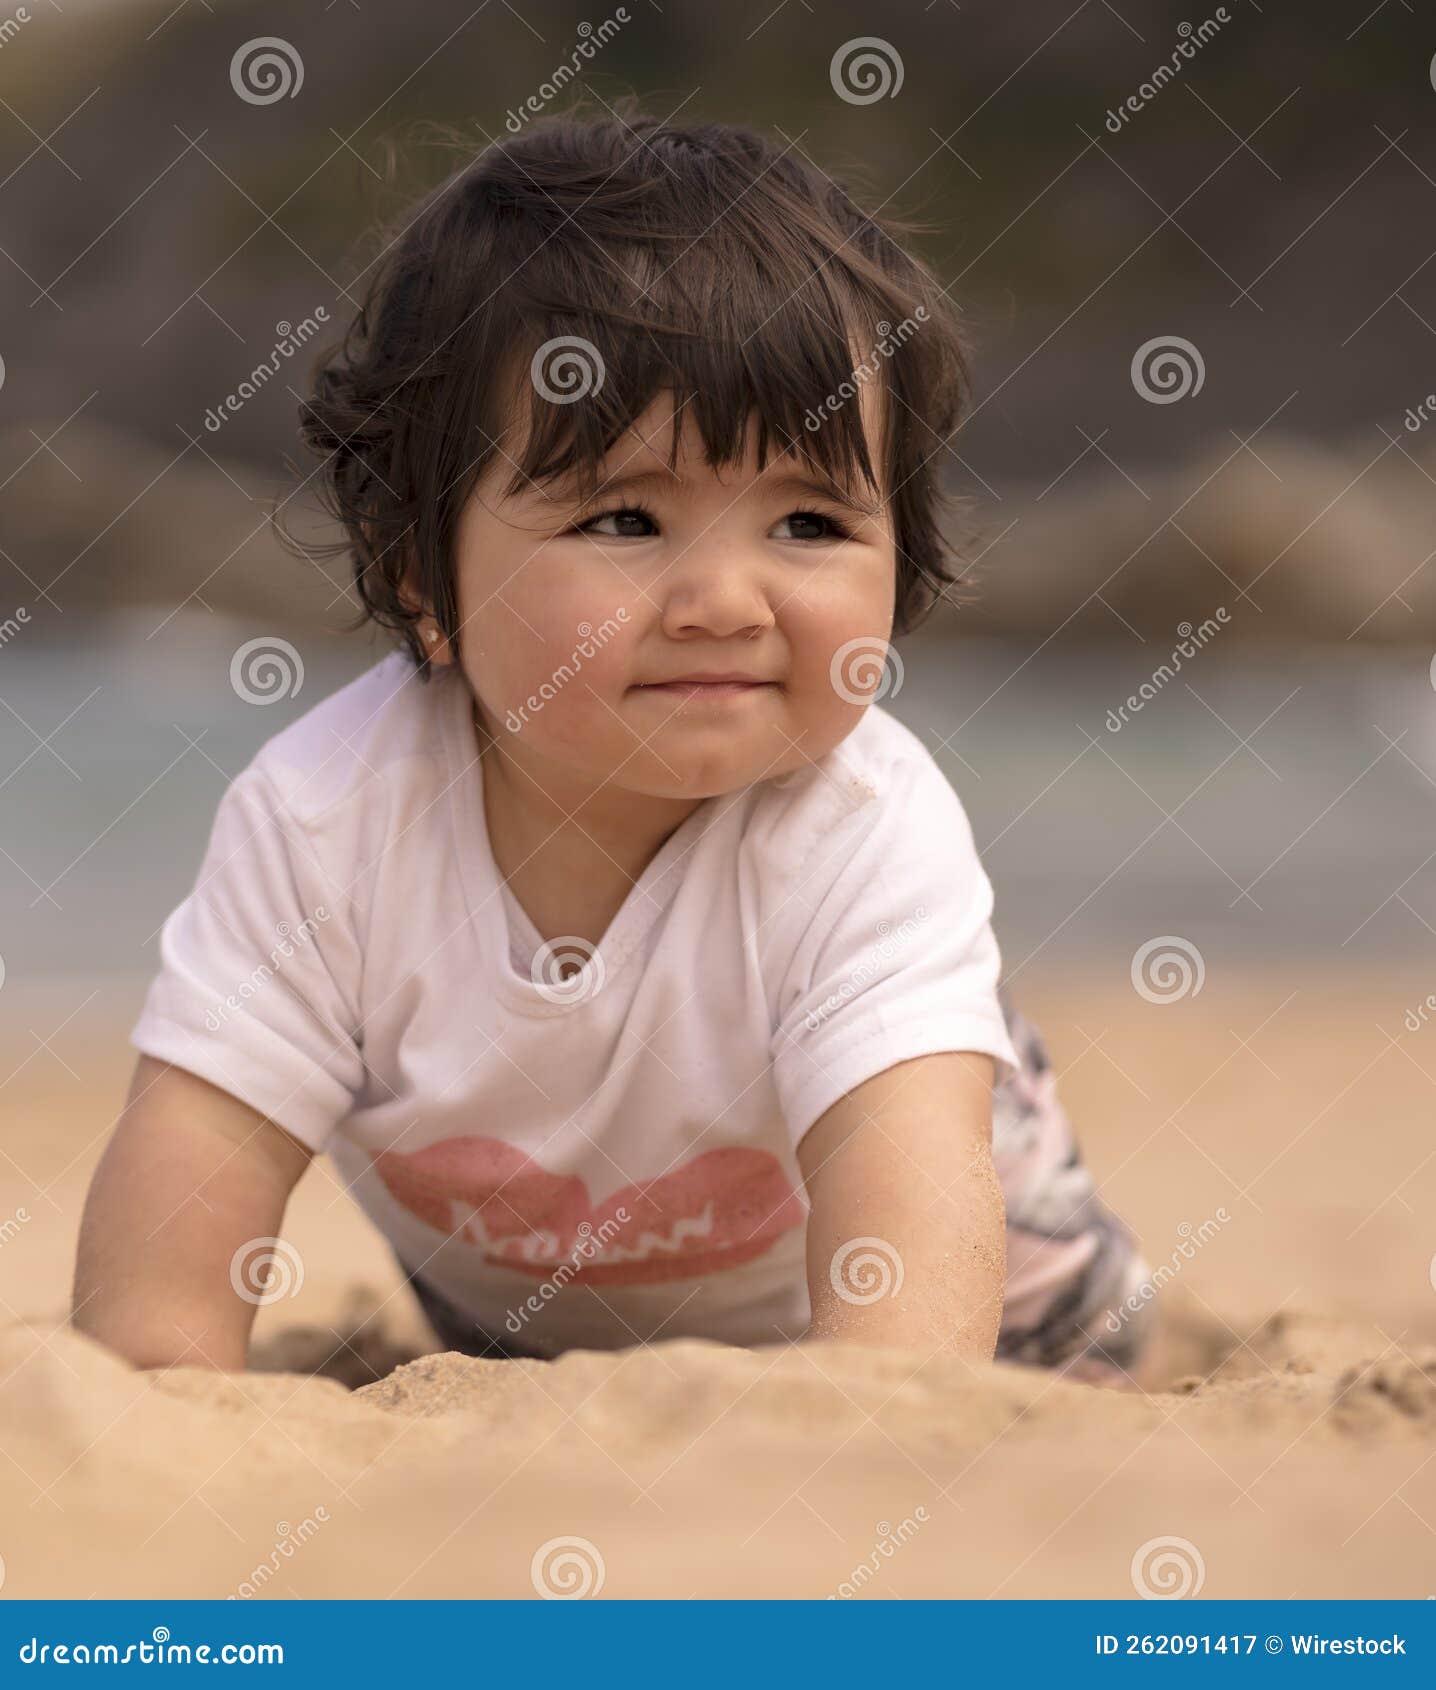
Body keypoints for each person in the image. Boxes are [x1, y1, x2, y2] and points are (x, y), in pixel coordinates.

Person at [73, 106, 1155, 1388]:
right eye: (627, 518)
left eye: (808, 523)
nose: (725, 600)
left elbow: (909, 1329)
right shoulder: (324, 825)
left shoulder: (859, 826)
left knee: (1017, 1250)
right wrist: (152, 1387)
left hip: (1022, 1317)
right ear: (421, 574)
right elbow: (192, 1176)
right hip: (520, 1332)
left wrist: (873, 1421)